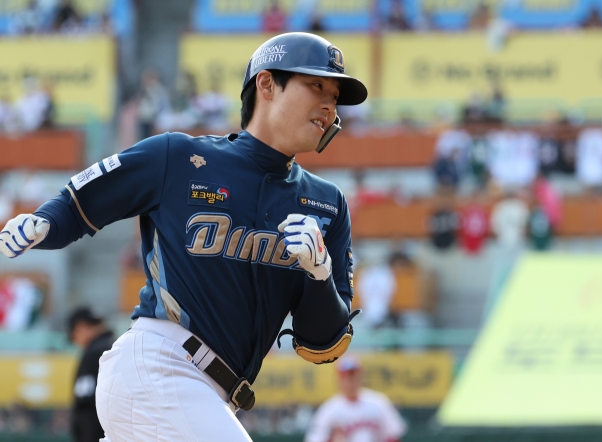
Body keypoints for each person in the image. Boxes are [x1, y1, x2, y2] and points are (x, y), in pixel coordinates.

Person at [0, 32, 367, 442]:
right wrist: (43, 222)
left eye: (335, 95)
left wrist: (319, 275)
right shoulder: (180, 157)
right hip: (159, 365)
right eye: (317, 85)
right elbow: (80, 202)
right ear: (266, 84)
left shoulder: (327, 203)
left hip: (209, 398)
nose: (329, 103)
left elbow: (321, 346)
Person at [304, 355, 407, 442]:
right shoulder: (329, 409)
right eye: (347, 377)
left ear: (361, 376)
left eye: (354, 376)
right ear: (339, 380)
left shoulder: (379, 402)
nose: (351, 381)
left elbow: (394, 437)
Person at [67, 307, 114, 442]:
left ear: (80, 327)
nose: (76, 342)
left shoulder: (94, 353)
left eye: (73, 336)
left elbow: (87, 409)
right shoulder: (115, 346)